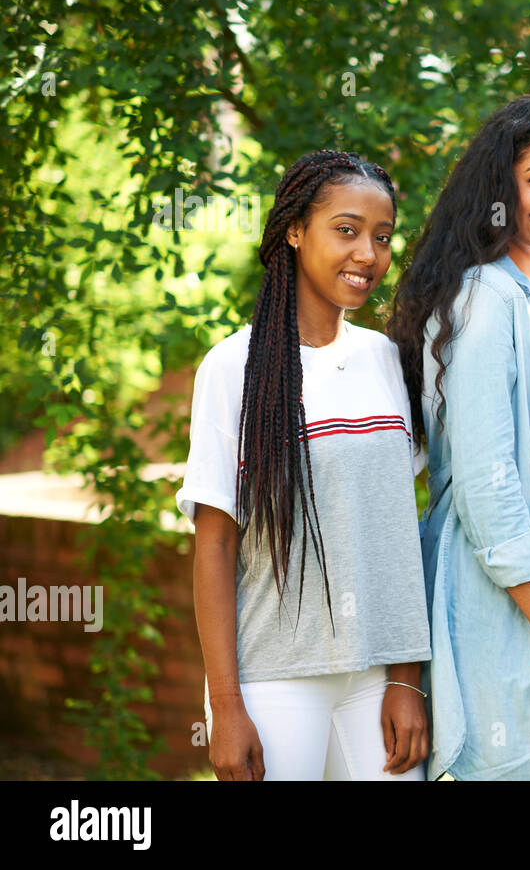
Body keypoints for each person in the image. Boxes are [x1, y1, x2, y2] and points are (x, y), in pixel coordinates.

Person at [179, 150, 431, 781]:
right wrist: (226, 705)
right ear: (294, 231)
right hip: (274, 678)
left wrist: (408, 679)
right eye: (345, 231)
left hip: (377, 677)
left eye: (381, 237)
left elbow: (399, 534)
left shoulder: (387, 361)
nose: (367, 255)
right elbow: (214, 545)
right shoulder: (234, 367)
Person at [387, 93, 530, 780]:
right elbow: (487, 484)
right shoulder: (487, 298)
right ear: (499, 184)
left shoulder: (524, 301)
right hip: (503, 614)